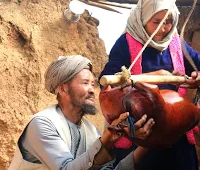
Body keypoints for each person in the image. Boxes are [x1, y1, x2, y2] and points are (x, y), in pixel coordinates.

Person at [99, 0, 200, 170]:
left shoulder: (176, 43)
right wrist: (157, 75)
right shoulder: (125, 44)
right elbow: (107, 82)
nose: (164, 28)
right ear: (142, 18)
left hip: (176, 136)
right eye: (156, 22)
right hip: (140, 137)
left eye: (168, 21)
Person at [8, 55, 155, 170]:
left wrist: (148, 144)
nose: (92, 90)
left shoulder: (91, 131)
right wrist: (107, 141)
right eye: (85, 83)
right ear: (63, 88)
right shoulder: (42, 124)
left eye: (93, 84)